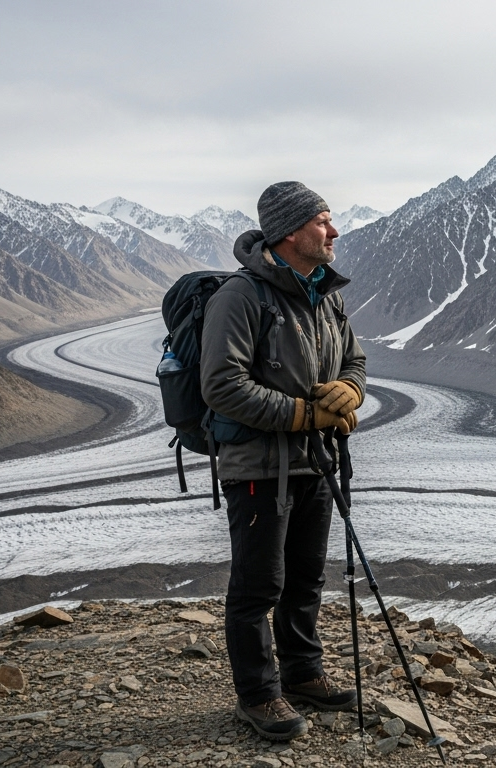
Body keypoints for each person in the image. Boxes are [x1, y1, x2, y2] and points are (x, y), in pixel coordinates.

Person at [200, 181, 367, 741]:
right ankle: (258, 695)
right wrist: (306, 415)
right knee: (258, 587)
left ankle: (302, 674)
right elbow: (222, 385)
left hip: (314, 461)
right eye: (322, 221)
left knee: (305, 579)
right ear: (291, 232)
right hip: (257, 467)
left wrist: (350, 390)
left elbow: (354, 358)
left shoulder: (325, 295)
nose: (334, 231)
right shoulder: (241, 296)